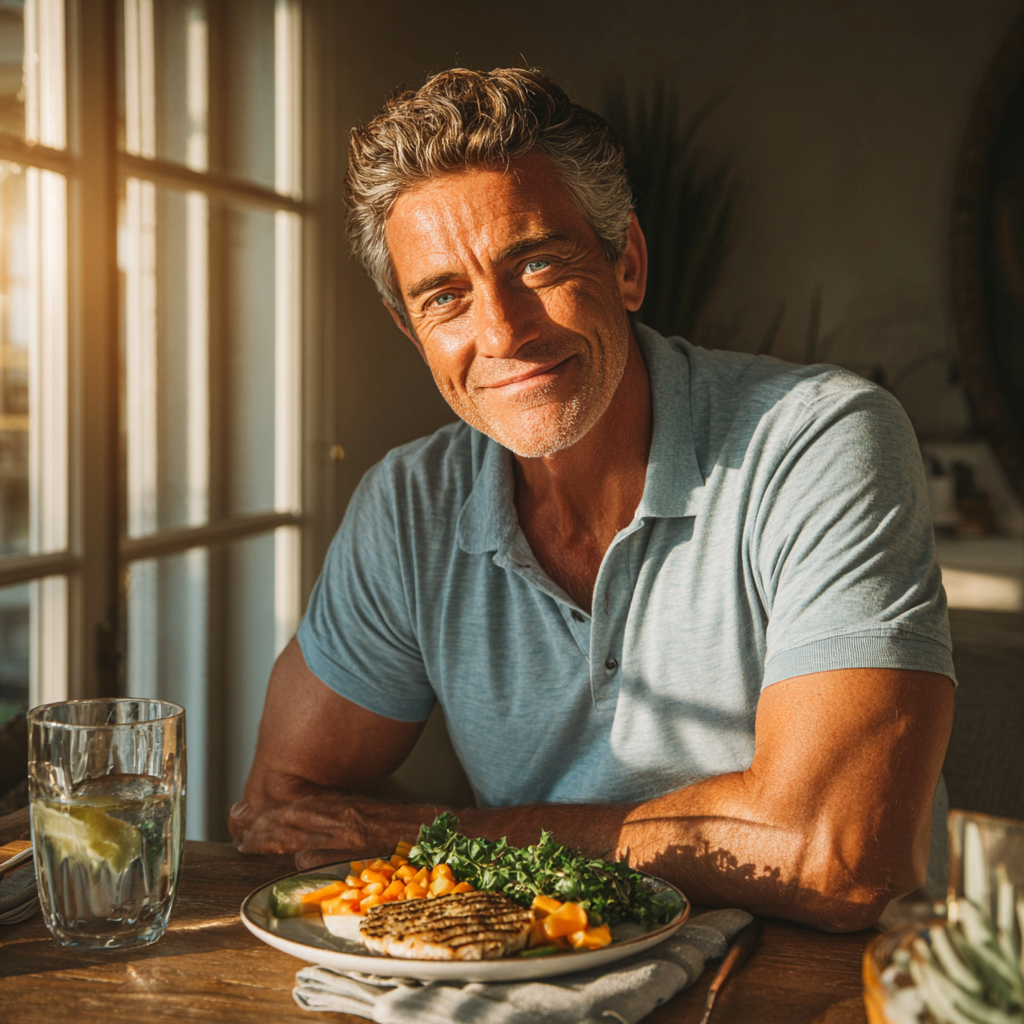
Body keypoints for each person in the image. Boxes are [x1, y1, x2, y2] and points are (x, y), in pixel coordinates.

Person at [229, 68, 955, 932]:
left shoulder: (819, 439)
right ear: (413, 332)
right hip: (539, 977)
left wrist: (450, 839)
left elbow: (840, 854)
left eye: (535, 262)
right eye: (446, 298)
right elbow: (283, 805)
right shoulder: (408, 505)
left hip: (831, 986)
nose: (501, 333)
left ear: (629, 264)